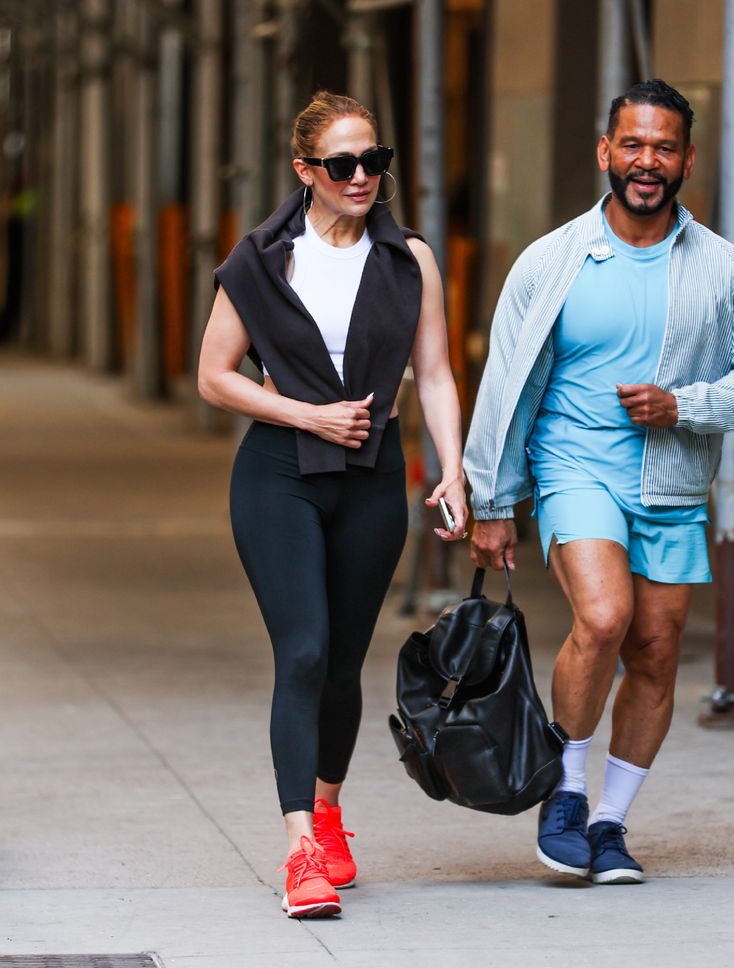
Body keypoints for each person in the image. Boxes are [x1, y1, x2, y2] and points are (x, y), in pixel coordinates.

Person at [198, 91, 467, 917]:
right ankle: (299, 850)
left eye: (373, 162)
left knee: (346, 660)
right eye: (343, 164)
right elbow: (215, 376)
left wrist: (452, 471)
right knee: (305, 650)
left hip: (375, 475)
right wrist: (305, 412)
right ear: (305, 170)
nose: (361, 177)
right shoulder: (264, 258)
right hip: (280, 471)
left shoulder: (409, 258)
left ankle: (329, 809)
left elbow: (436, 374)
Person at [464, 79, 734, 885]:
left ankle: (612, 824)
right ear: (604, 152)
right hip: (576, 465)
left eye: (663, 147)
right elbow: (507, 383)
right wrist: (492, 499)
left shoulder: (719, 268)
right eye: (632, 145)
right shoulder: (552, 262)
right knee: (607, 617)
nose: (646, 161)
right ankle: (566, 795)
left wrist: (685, 403)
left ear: (686, 159)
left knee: (655, 652)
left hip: (673, 481)